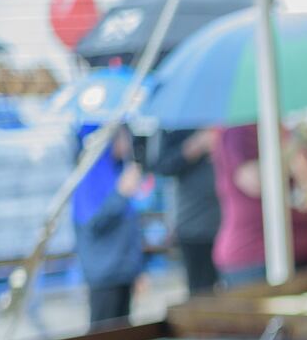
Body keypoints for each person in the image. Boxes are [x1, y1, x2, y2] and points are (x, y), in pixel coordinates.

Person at [211, 123, 307, 287]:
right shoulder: (238, 131)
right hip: (255, 256)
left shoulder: (283, 131)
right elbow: (254, 180)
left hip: (297, 249)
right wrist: (292, 148)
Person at [72, 124, 145, 327]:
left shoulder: (117, 170)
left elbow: (130, 225)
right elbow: (93, 223)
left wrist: (137, 269)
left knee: (121, 336)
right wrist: (121, 193)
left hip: (123, 273)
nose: (128, 142)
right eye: (123, 135)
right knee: (102, 338)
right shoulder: (90, 175)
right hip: (104, 275)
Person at [146, 127, 220, 295]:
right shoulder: (173, 123)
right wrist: (195, 145)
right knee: (201, 293)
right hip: (195, 224)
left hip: (229, 220)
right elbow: (161, 165)